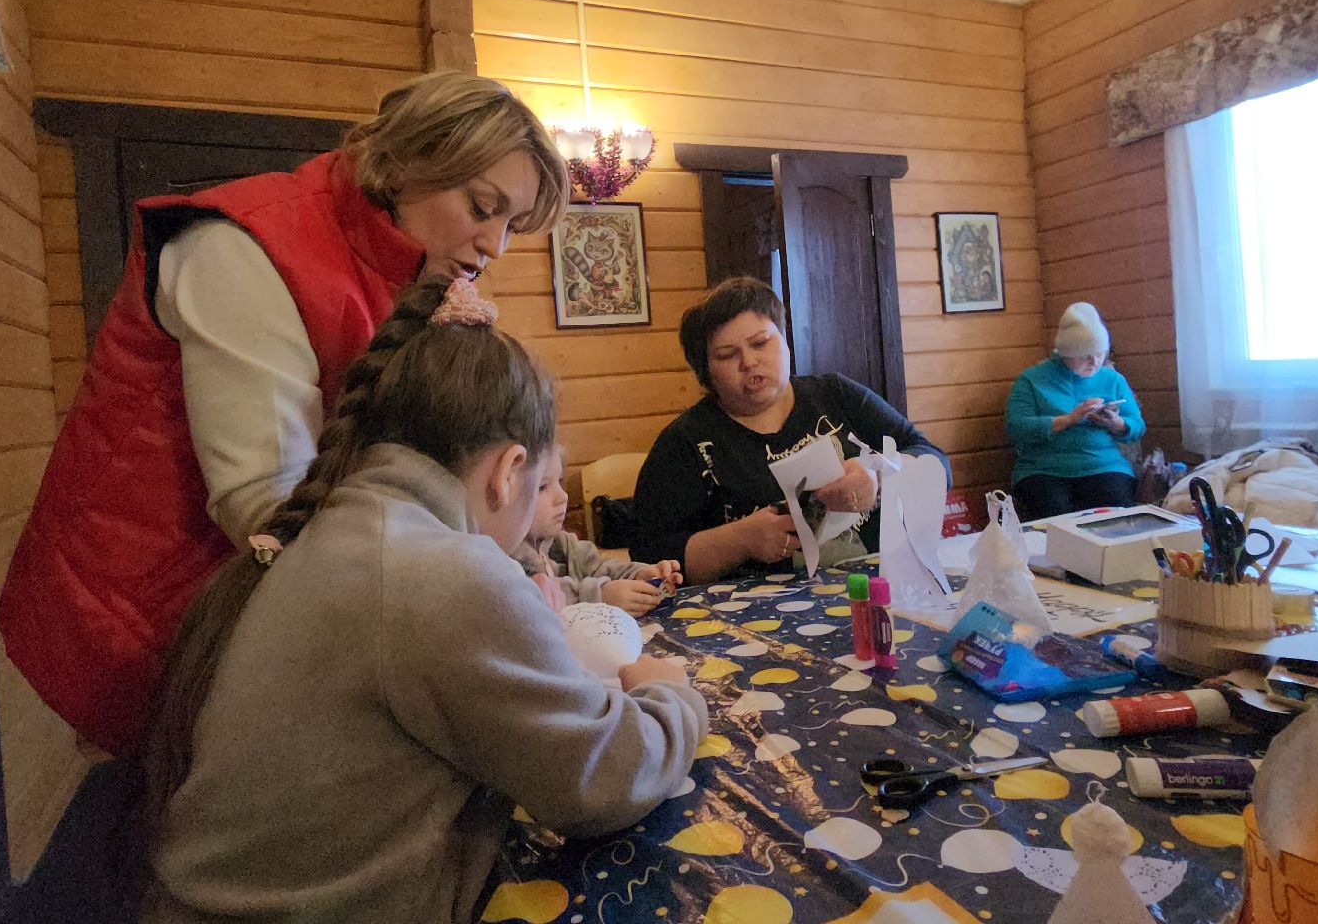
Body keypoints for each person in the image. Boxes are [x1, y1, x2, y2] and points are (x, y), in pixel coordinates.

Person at [0, 72, 570, 756]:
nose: (496, 246)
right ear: (413, 162)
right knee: (174, 823)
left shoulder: (410, 277)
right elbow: (265, 506)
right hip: (147, 594)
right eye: (483, 208)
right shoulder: (245, 248)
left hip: (259, 597)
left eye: (512, 224)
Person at [139, 277, 704, 923]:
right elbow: (602, 779)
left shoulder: (344, 529)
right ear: (508, 470)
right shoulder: (445, 571)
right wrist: (669, 693)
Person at [630, 277, 949, 585]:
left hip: (880, 587)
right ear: (705, 373)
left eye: (760, 343)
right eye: (727, 355)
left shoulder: (837, 394)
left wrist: (880, 474)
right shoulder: (684, 442)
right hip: (750, 616)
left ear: (784, 338)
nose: (749, 362)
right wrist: (740, 540)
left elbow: (935, 462)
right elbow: (647, 557)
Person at [1005, 302, 1146, 521]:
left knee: (1114, 509)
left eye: (1100, 354)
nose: (1095, 362)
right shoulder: (1032, 380)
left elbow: (1137, 425)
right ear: (1066, 353)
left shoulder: (1112, 379)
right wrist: (1070, 419)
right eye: (1086, 356)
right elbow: (1017, 428)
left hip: (1104, 464)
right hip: (1044, 468)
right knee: (1054, 511)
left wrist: (1116, 424)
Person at [514, 445, 682, 618]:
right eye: (542, 487)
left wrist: (638, 575)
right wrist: (600, 597)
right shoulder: (507, 560)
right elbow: (534, 599)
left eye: (560, 481)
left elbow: (598, 567)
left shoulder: (561, 543)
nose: (563, 496)